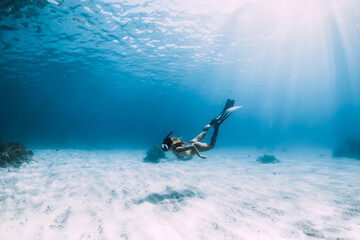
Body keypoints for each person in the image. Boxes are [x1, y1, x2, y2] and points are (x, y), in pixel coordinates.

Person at [161, 99, 242, 159]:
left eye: (164, 146)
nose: (164, 148)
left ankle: (217, 127)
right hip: (192, 142)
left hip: (195, 146)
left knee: (212, 145)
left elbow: (192, 148)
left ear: (169, 145)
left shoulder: (177, 150)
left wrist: (199, 155)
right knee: (204, 131)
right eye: (163, 146)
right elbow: (171, 143)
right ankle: (212, 122)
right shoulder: (172, 148)